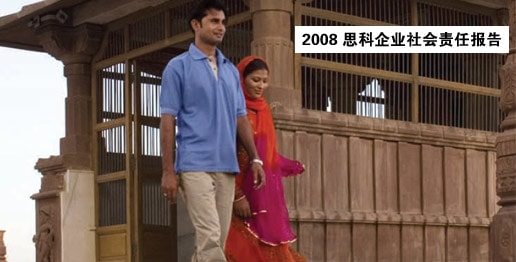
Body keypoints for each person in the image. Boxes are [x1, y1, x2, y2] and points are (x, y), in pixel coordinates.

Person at [159, 1, 265, 261]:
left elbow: (241, 118)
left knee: (216, 238)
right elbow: (167, 120)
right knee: (209, 235)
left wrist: (255, 158)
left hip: (226, 165)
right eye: (214, 21)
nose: (221, 27)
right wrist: (168, 171)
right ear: (196, 25)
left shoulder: (230, 70)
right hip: (194, 164)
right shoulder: (178, 67)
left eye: (223, 22)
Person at [225, 56, 306, 262]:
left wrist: (289, 164)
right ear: (241, 79)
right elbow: (226, 152)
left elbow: (265, 155)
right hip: (236, 191)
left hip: (261, 194)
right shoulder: (231, 109)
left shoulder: (263, 109)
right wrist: (237, 195)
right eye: (255, 80)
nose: (261, 85)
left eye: (264, 80)